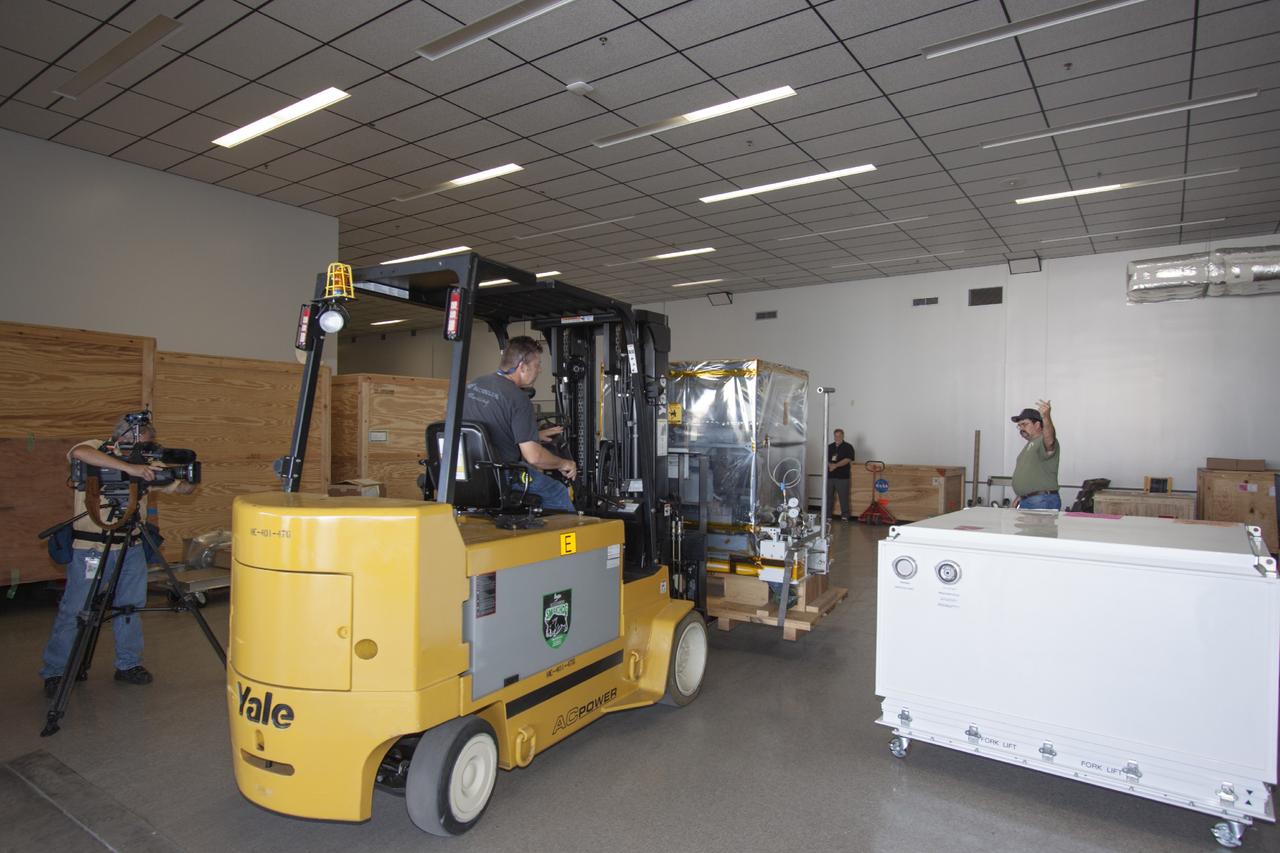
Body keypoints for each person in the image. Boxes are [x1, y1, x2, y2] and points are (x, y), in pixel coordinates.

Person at [40, 415, 193, 698]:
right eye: (141, 444)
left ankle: (128, 664)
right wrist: (130, 468)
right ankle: (56, 671)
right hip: (91, 548)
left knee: (130, 607)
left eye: (148, 447)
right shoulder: (96, 448)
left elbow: (182, 489)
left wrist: (187, 476)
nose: (144, 451)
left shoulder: (146, 463)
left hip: (131, 547)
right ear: (123, 437)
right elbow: (78, 453)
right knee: (75, 610)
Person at [462, 335, 577, 512]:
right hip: (503, 475)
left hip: (468, 473)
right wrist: (564, 464)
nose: (539, 371)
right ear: (522, 367)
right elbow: (534, 457)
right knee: (557, 492)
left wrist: (533, 435)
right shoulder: (518, 398)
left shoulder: (474, 385)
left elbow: (486, 431)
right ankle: (566, 539)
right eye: (537, 365)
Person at [1011, 400, 1060, 510]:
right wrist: (1022, 495)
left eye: (1024, 424)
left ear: (1037, 425)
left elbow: (1050, 441)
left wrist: (1046, 417)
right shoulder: (1031, 444)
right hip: (1031, 500)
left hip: (1041, 501)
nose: (1021, 428)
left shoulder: (1043, 441)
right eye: (1019, 426)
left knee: (1038, 528)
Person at [826, 428, 855, 521]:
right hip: (830, 477)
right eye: (836, 436)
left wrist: (836, 465)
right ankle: (827, 515)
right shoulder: (829, 447)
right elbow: (824, 458)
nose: (837, 437)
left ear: (843, 436)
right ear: (834, 436)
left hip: (842, 477)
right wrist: (830, 465)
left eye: (839, 436)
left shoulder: (848, 447)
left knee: (843, 497)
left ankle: (845, 516)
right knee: (828, 497)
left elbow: (848, 459)